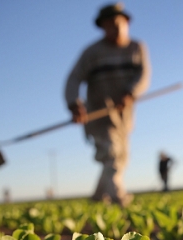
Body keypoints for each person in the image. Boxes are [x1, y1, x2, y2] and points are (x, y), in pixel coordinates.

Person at [64, 3, 151, 207]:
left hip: (124, 116)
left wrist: (130, 92)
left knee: (120, 157)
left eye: (118, 23)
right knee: (111, 154)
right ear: (102, 27)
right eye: (110, 25)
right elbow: (73, 79)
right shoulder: (92, 53)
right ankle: (118, 198)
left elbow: (143, 75)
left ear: (127, 23)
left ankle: (97, 198)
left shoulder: (137, 48)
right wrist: (74, 103)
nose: (115, 28)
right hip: (99, 114)